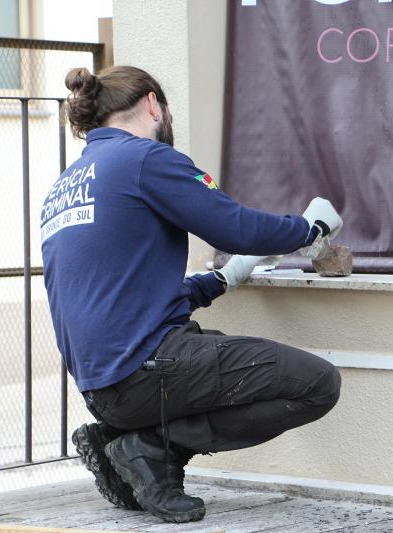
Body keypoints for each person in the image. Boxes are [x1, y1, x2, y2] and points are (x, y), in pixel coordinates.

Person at [40, 66, 344, 523]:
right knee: (317, 384)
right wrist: (308, 229)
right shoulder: (144, 159)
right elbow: (236, 227)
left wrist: (219, 281)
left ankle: (137, 442)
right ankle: (151, 446)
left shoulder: (65, 186)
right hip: (143, 371)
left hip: (102, 388)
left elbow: (120, 297)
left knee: (217, 350)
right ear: (151, 104)